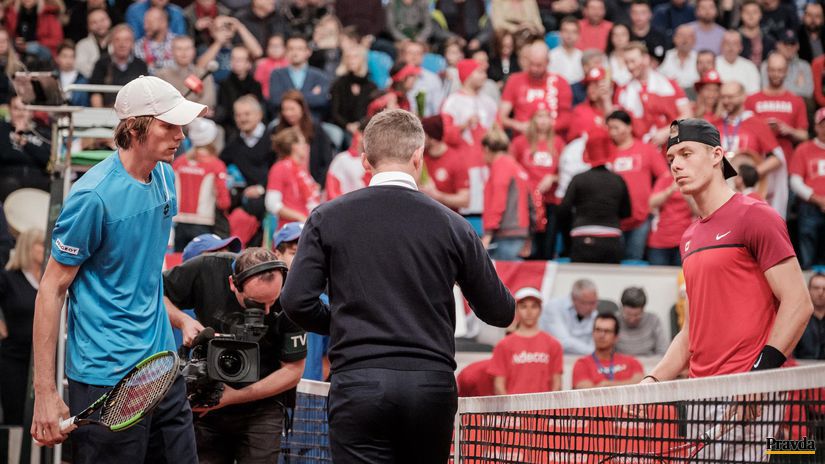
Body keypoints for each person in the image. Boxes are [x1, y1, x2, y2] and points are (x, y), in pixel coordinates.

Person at [280, 109, 515, 463]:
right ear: (418, 156)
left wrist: (345, 323)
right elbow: (500, 311)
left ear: (365, 161)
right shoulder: (453, 225)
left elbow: (296, 301)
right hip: (429, 386)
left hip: (359, 381)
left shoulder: (327, 217)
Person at [31, 76, 206, 461]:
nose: (180, 135)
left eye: (181, 125)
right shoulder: (92, 197)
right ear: (134, 128)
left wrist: (177, 319)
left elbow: (139, 275)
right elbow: (51, 289)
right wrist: (44, 393)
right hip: (106, 378)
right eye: (168, 125)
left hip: (162, 367)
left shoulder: (165, 174)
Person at [646, 117, 811, 381]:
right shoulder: (688, 236)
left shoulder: (755, 215)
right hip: (699, 392)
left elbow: (799, 303)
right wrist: (651, 380)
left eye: (686, 154)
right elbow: (691, 332)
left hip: (749, 388)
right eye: (671, 158)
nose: (676, 165)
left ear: (716, 155)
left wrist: (759, 378)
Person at [163, 246, 304, 462]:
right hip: (208, 399)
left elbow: (293, 370)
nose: (267, 311)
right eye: (256, 303)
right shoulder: (207, 268)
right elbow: (153, 292)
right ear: (232, 283)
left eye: (272, 301)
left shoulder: (292, 295)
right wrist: (184, 321)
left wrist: (235, 396)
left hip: (262, 406)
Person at [557, 129, 631, 264]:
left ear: (587, 153)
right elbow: (627, 212)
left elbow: (563, 210)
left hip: (581, 235)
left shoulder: (578, 179)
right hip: (611, 238)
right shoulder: (618, 180)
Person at [272, 222, 329, 381]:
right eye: (294, 253)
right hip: (275, 392)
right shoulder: (267, 300)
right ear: (278, 255)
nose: (302, 260)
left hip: (311, 393)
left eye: (309, 254)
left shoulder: (326, 303)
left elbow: (328, 358)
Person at [0, 229, 44, 425]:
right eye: (40, 244)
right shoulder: (9, 277)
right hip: (14, 358)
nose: (45, 249)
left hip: (40, 359)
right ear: (28, 247)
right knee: (16, 413)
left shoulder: (47, 278)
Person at [489, 287, 563, 394]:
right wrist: (510, 410)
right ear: (517, 309)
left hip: (544, 409)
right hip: (513, 409)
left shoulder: (553, 344)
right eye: (523, 306)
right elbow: (499, 385)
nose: (529, 312)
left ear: (540, 310)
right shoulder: (503, 345)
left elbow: (557, 384)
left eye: (534, 306)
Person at [172, 118, 231, 251]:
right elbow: (224, 202)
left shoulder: (179, 162)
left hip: (180, 222)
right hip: (204, 223)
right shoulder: (216, 165)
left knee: (179, 262)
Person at [745, 52, 809, 167]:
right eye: (772, 70)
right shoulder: (751, 99)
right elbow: (743, 131)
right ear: (767, 70)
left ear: (786, 71)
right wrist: (762, 128)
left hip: (788, 161)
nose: (776, 74)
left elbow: (804, 135)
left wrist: (789, 130)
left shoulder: (796, 100)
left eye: (780, 70)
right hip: (757, 161)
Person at [481, 129, 532, 261]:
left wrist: (488, 233)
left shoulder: (500, 167)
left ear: (486, 149)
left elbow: (498, 201)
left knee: (506, 274)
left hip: (507, 231)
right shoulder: (516, 166)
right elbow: (531, 202)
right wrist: (529, 233)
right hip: (519, 230)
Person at [790, 108, 825, 270]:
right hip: (810, 207)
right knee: (808, 251)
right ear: (816, 126)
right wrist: (818, 200)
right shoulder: (804, 149)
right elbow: (795, 182)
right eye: (822, 124)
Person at [265, 127, 321, 229]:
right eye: (303, 142)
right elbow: (272, 203)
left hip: (307, 227)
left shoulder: (302, 170)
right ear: (294, 146)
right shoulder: (279, 168)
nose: (306, 146)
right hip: (290, 230)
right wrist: (301, 217)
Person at [572, 312, 645, 389]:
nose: (601, 335)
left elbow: (641, 385)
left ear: (616, 337)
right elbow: (587, 394)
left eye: (607, 331)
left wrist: (607, 384)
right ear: (593, 333)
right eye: (598, 330)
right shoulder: (581, 364)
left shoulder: (632, 362)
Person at [269, 35, 331, 121]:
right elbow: (275, 100)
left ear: (308, 52)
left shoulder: (320, 76)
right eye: (291, 49)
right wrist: (310, 95)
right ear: (286, 52)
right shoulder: (277, 74)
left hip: (312, 123)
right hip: (283, 123)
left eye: (299, 49)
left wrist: (288, 97)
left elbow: (321, 101)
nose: (295, 53)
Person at [420, 115, 470, 212]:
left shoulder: (456, 160)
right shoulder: (420, 158)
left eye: (423, 134)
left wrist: (436, 196)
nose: (419, 138)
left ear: (432, 137)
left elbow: (465, 200)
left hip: (448, 221)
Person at [540, 279, 601, 355]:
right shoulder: (554, 308)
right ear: (574, 299)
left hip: (584, 359)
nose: (591, 307)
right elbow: (563, 342)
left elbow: (596, 342)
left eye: (594, 302)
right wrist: (596, 353)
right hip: (554, 359)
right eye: (585, 303)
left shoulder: (595, 314)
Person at [615, 287, 669, 356]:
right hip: (621, 364)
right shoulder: (614, 321)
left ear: (643, 309)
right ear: (621, 308)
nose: (632, 319)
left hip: (649, 363)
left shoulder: (653, 320)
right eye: (628, 315)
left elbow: (663, 351)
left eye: (637, 315)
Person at [793, 274, 825, 360]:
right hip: (802, 369)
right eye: (816, 288)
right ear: (808, 290)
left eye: (824, 289)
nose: (820, 293)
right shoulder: (798, 319)